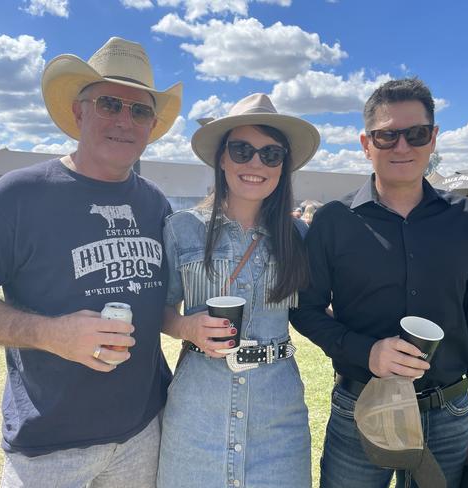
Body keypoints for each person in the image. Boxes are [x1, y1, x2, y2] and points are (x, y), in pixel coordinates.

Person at [0, 37, 182, 488]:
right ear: (78, 111)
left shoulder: (155, 204)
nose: (125, 121)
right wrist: (51, 334)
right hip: (48, 448)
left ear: (151, 125)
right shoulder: (19, 194)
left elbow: (162, 306)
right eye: (110, 103)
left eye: (140, 110)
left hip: (144, 433)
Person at [290, 78, 468, 488]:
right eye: (387, 135)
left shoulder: (467, 219)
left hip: (448, 412)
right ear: (365, 143)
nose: (402, 147)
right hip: (360, 406)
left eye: (416, 134)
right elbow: (305, 310)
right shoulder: (333, 221)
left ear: (434, 138)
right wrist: (366, 351)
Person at [158, 93, 320, 488]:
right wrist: (185, 328)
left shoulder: (299, 236)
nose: (255, 164)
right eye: (242, 149)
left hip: (278, 413)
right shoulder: (182, 228)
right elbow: (158, 310)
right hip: (197, 410)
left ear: (283, 166)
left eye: (270, 154)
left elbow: (315, 310)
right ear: (222, 159)